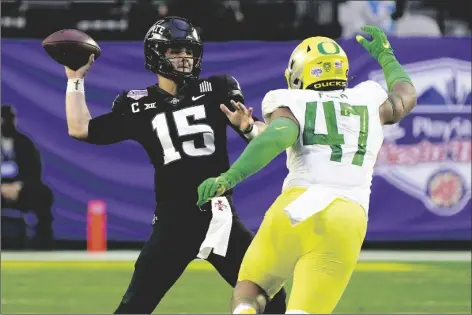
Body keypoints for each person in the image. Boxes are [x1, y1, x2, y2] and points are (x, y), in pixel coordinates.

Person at [63, 16, 287, 314]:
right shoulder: (136, 103)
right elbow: (81, 128)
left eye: (189, 51)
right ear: (156, 53)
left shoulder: (218, 87)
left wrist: (247, 128)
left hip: (219, 218)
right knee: (134, 307)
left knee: (273, 300)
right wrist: (75, 80)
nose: (184, 57)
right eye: (175, 50)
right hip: (174, 222)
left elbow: (262, 136)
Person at [197, 25, 417, 314]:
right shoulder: (369, 99)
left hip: (295, 208)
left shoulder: (292, 101)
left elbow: (280, 136)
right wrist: (386, 57)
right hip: (347, 216)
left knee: (252, 288)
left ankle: (245, 310)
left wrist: (229, 177)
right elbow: (405, 96)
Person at [1, 104, 54, 250]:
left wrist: (19, 185)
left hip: (21, 188)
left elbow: (34, 170)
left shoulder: (24, 143)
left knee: (43, 194)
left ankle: (42, 245)